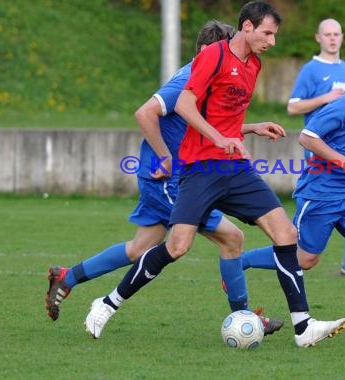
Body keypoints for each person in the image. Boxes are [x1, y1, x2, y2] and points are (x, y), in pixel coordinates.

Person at [83, 0, 345, 348]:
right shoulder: (213, 55)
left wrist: (247, 132)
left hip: (234, 167)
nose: (272, 41)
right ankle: (106, 304)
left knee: (285, 234)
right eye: (267, 33)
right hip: (199, 168)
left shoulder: (253, 65)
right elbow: (184, 105)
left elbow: (228, 117)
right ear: (248, 27)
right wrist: (218, 138)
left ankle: (303, 327)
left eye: (274, 35)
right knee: (177, 246)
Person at [45, 19, 283, 336]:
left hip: (169, 176)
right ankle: (244, 317)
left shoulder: (208, 77)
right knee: (231, 238)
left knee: (139, 248)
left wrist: (251, 127)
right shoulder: (188, 77)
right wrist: (165, 156)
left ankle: (67, 277)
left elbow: (201, 125)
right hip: (170, 178)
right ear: (211, 50)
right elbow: (145, 113)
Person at [235, 48, 345, 338]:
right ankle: (241, 262)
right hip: (321, 194)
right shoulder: (343, 106)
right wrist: (343, 162)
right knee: (304, 260)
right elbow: (307, 137)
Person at [287, 18, 345, 277]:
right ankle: (288, 244)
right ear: (318, 38)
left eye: (337, 34)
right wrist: (325, 98)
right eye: (327, 34)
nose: (332, 38)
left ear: (342, 37)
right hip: (318, 149)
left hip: (344, 149)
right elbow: (293, 106)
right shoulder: (311, 70)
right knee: (313, 202)